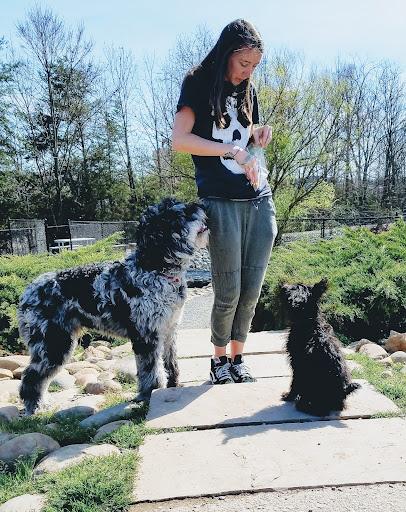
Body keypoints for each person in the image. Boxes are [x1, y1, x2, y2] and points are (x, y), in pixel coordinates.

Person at [172, 19, 277, 384]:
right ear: (227, 53)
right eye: (244, 63)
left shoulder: (249, 89)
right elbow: (180, 140)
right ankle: (219, 361)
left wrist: (258, 134)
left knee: (251, 291)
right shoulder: (198, 82)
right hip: (220, 198)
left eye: (255, 66)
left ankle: (238, 358)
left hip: (259, 197)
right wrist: (232, 150)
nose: (248, 72)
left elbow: (246, 136)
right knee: (228, 290)